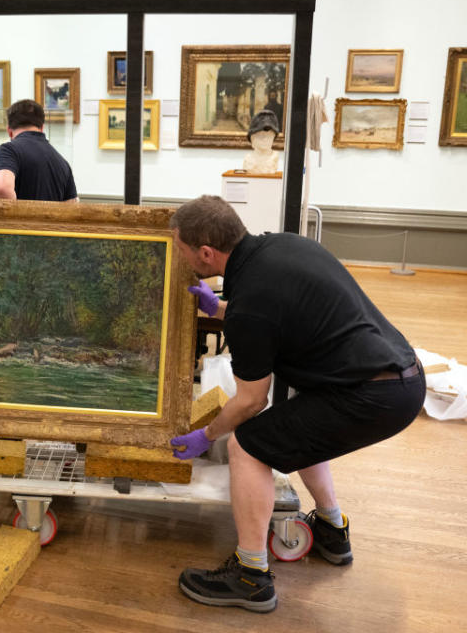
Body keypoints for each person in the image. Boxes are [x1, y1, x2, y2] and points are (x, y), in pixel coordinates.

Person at [168, 195, 425, 613]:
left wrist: (207, 434)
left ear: (206, 253)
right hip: (400, 376)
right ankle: (331, 529)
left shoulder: (250, 306)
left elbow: (251, 401)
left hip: (373, 395)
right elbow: (273, 308)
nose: (179, 256)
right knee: (297, 428)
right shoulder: (284, 245)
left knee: (247, 445)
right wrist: (222, 308)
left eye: (180, 249)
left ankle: (250, 576)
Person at [0, 99, 78, 202]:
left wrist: (15, 217)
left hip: (20, 218)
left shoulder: (9, 150)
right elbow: (72, 206)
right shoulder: (62, 162)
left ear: (9, 131)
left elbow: (2, 189)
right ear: (42, 127)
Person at [242, 109, 280, 174]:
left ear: (274, 137)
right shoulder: (248, 160)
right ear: (252, 139)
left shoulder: (275, 157)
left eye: (269, 136)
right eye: (260, 136)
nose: (265, 139)